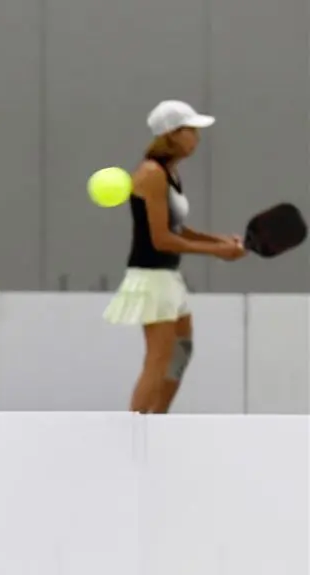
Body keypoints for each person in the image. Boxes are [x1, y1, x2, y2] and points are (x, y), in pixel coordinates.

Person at [102, 99, 245, 413]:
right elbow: (162, 239)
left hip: (167, 278)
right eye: (191, 130)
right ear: (173, 134)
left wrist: (220, 240)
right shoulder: (152, 174)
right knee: (158, 359)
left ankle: (159, 420)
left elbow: (178, 227)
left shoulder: (170, 173)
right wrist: (217, 252)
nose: (197, 138)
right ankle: (136, 431)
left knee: (182, 350)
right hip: (151, 278)